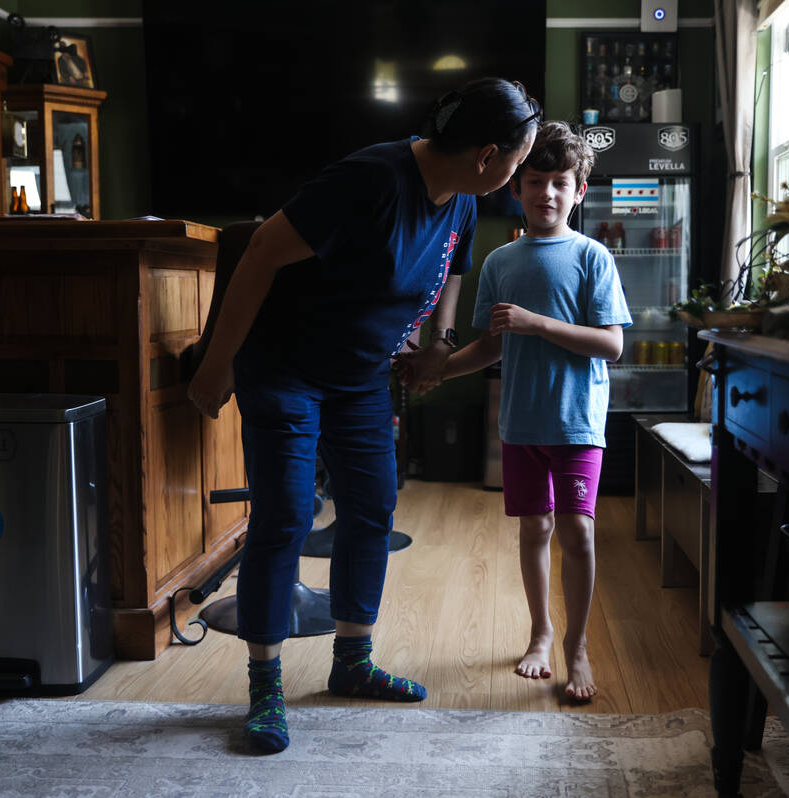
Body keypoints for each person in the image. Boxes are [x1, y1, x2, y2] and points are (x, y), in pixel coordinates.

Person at [187, 78, 540, 753]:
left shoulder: (462, 200)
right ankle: (266, 685)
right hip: (284, 368)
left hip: (358, 378)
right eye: (519, 162)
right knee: (286, 514)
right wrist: (216, 364)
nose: (517, 175)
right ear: (488, 154)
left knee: (372, 509)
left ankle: (352, 661)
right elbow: (260, 251)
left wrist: (433, 344)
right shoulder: (372, 179)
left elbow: (451, 271)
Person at [432, 121, 630, 701]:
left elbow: (612, 345)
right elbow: (491, 346)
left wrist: (536, 323)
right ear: (515, 188)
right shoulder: (499, 262)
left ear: (578, 191)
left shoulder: (593, 258)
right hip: (521, 424)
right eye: (535, 181)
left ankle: (577, 646)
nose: (547, 193)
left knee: (577, 532)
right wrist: (438, 369)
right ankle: (540, 634)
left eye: (559, 183)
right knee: (536, 528)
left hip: (576, 425)